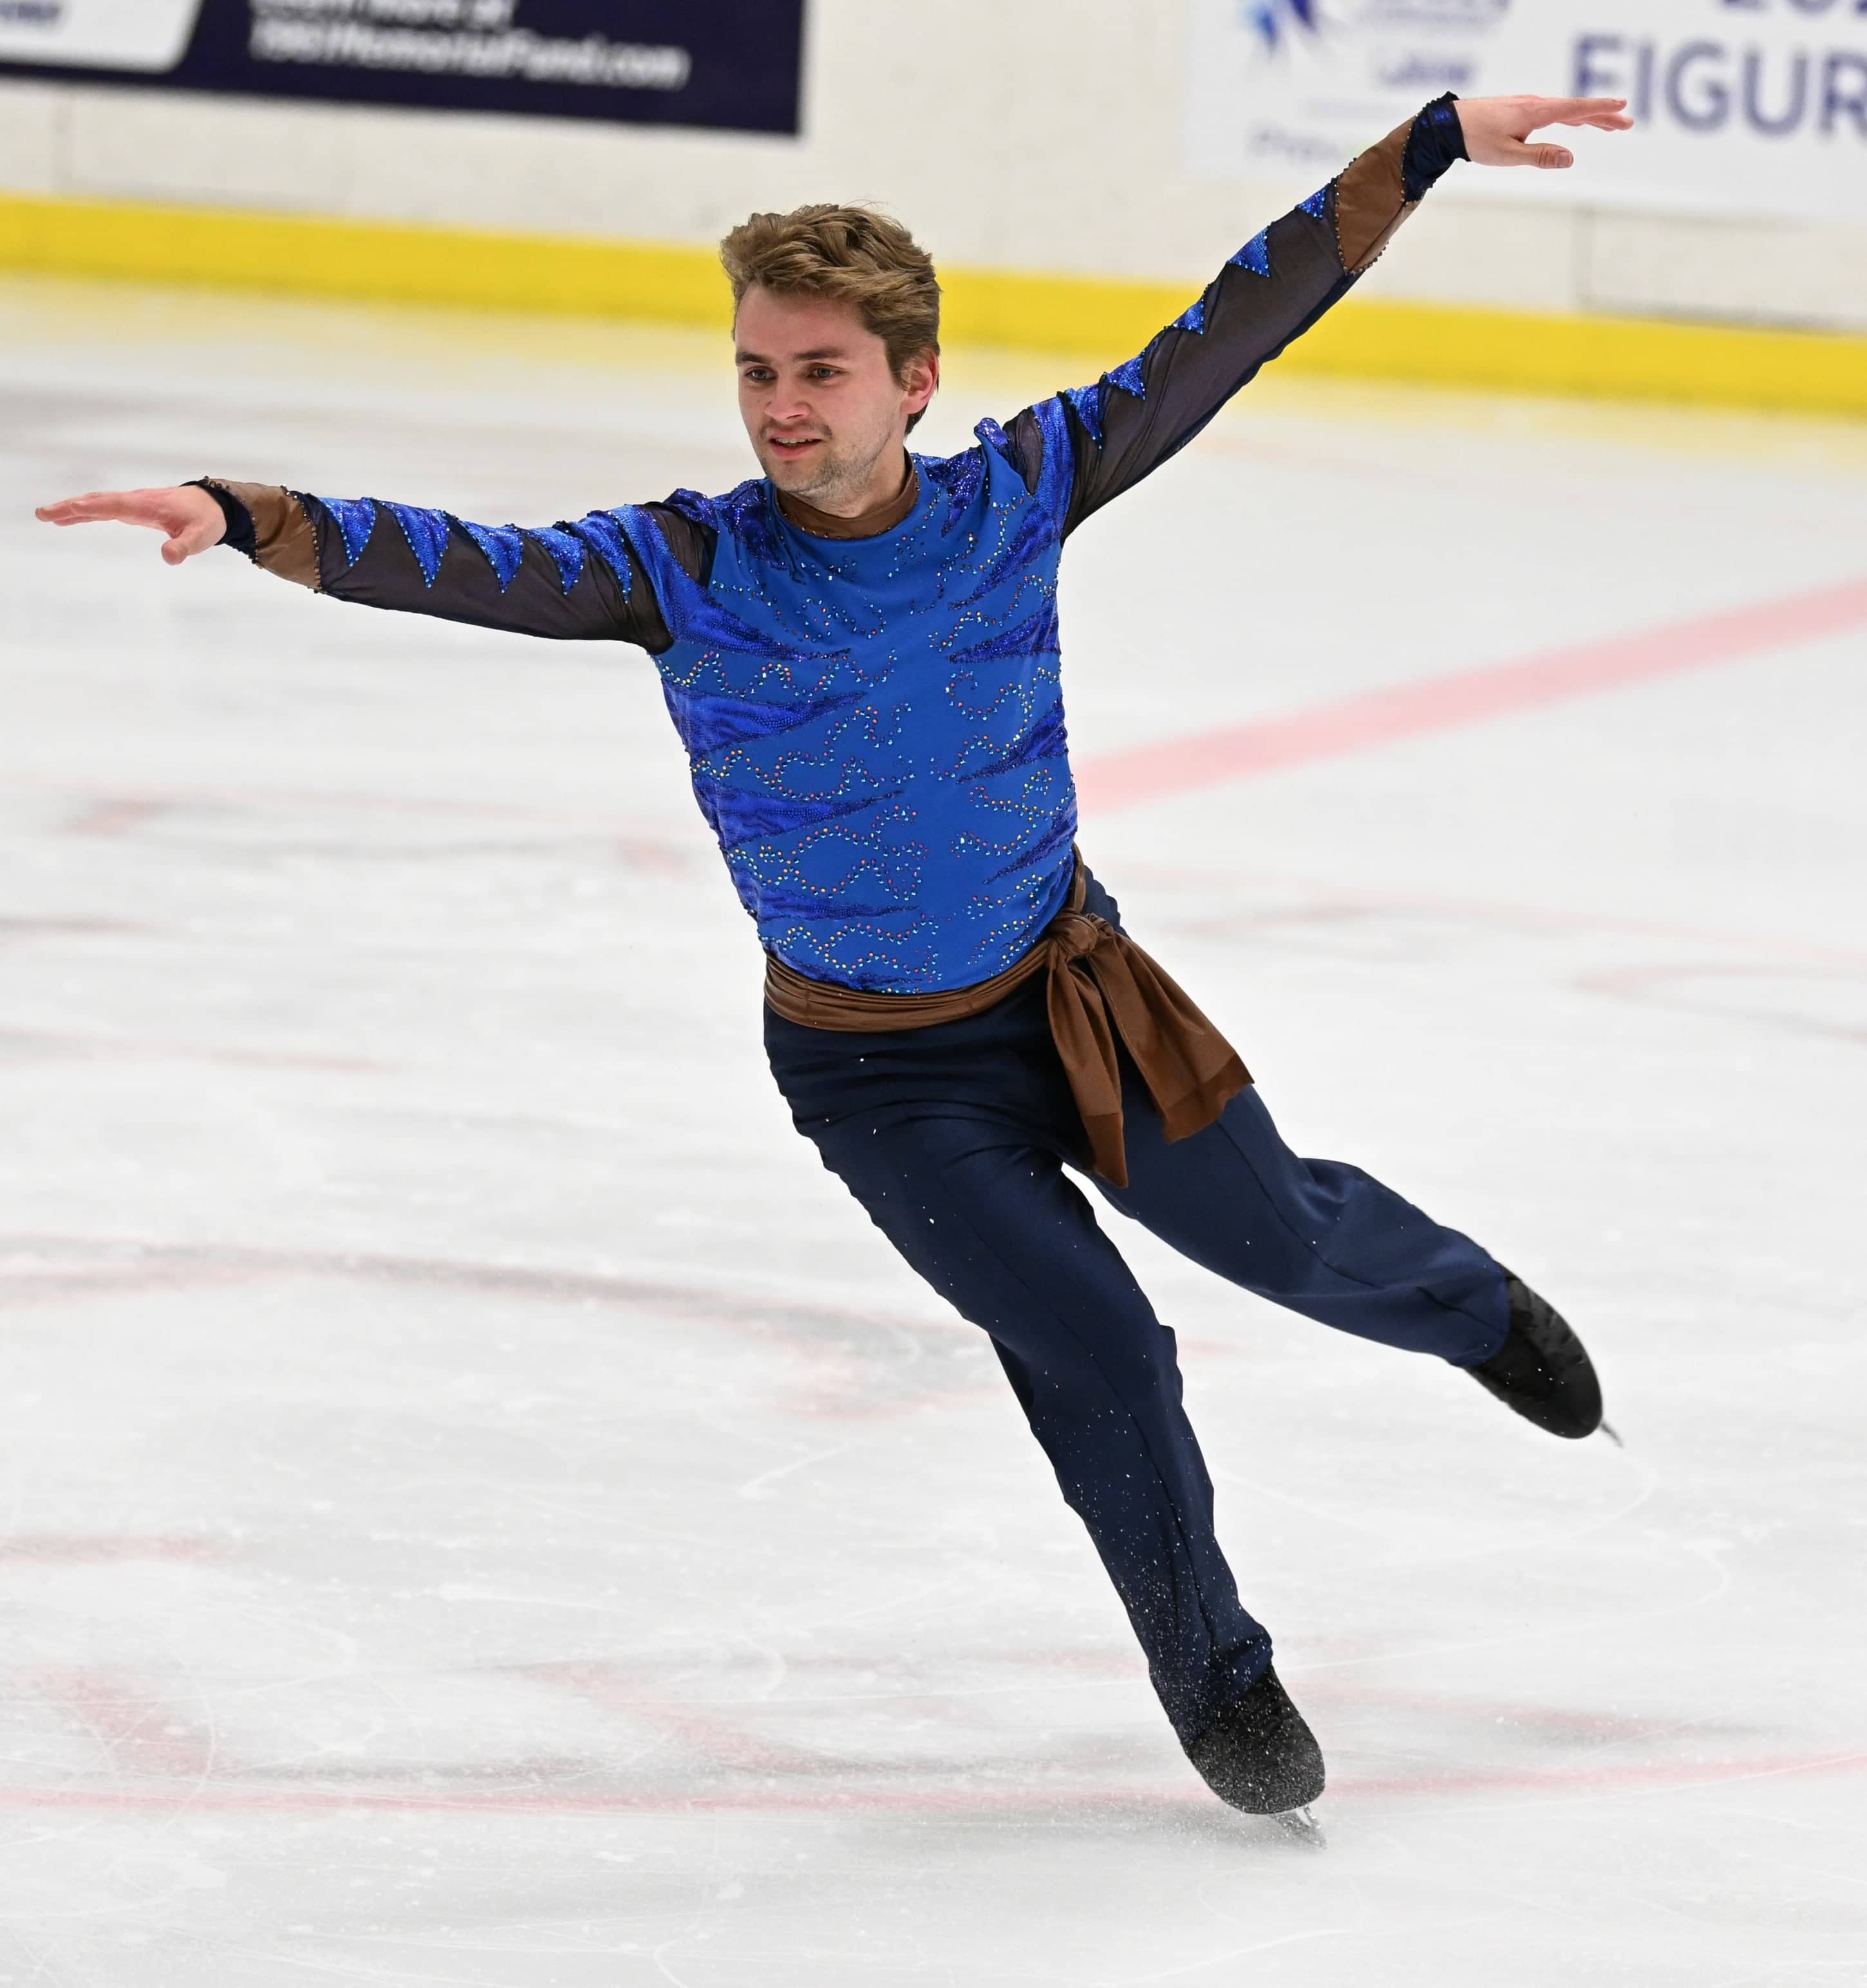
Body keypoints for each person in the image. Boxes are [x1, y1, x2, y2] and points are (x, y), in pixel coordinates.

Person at [38, 89, 1632, 1833]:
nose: (784, 409)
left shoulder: (1020, 489)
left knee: (1285, 1237)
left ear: (911, 381)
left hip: (1072, 991)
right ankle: (1215, 1675)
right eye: (756, 373)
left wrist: (1427, 143)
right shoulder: (686, 565)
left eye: (819, 373)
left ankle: (1466, 1305)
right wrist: (254, 512)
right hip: (880, 1078)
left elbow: (1227, 326)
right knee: (1101, 1354)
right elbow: (476, 563)